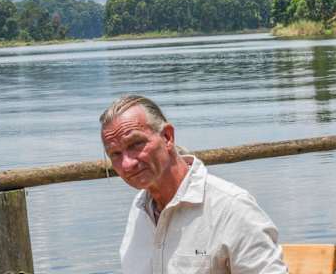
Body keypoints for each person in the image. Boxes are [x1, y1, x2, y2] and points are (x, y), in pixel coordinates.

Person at [100, 94, 288, 274]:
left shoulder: (232, 207)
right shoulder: (140, 209)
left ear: (167, 137)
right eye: (115, 154)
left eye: (136, 144)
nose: (127, 163)